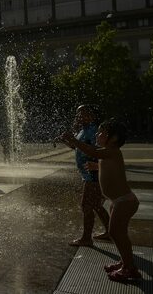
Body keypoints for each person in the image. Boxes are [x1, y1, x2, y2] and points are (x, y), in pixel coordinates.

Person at [60, 119, 141, 282]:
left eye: (101, 132)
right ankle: (125, 261)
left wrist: (76, 141)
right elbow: (105, 161)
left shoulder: (112, 151)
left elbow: (93, 152)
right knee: (119, 234)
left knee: (116, 233)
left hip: (124, 201)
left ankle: (130, 269)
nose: (97, 134)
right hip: (118, 201)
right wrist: (96, 167)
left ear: (114, 138)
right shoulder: (108, 152)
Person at [56, 105, 110, 246]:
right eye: (78, 114)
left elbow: (96, 150)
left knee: (86, 205)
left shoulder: (93, 131)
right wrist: (68, 142)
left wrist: (73, 140)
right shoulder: (83, 130)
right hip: (88, 173)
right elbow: (78, 147)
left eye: (83, 113)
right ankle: (110, 231)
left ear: (91, 115)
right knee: (97, 205)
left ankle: (86, 238)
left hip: (93, 174)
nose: (79, 116)